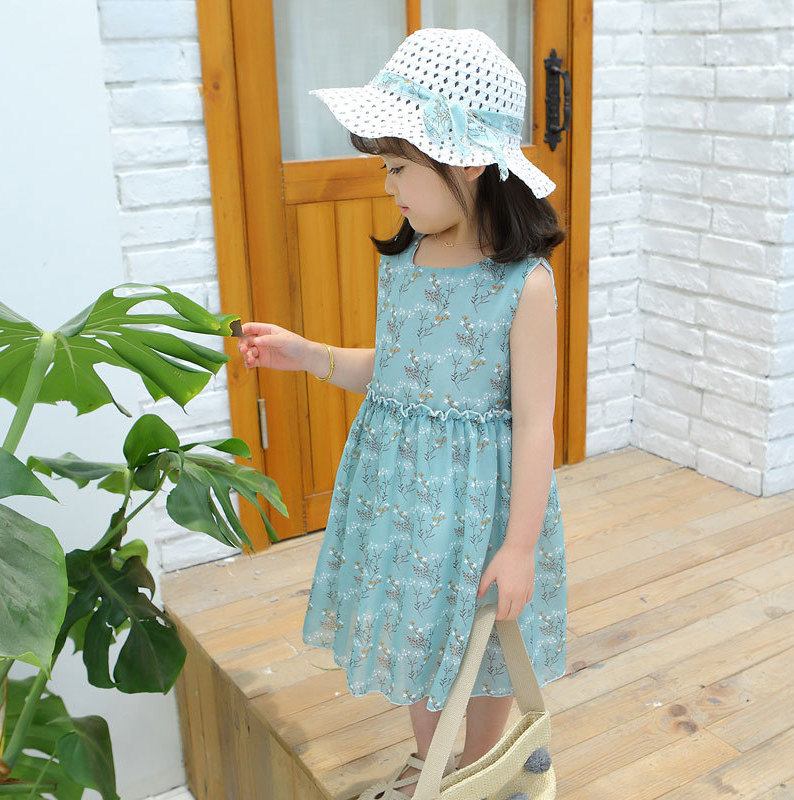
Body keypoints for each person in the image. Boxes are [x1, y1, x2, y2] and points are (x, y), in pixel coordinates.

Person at [238, 27, 567, 800]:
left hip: (477, 503)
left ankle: (475, 768)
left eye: (397, 167)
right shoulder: (406, 261)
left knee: (479, 644)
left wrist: (519, 546)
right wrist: (308, 354)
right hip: (401, 496)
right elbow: (396, 373)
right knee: (418, 633)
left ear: (466, 161)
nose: (388, 186)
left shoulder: (523, 285)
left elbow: (534, 423)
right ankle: (432, 760)